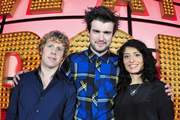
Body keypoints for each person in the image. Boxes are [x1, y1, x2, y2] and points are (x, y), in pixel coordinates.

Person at [13, 6, 172, 120]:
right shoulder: (72, 61)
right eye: (96, 31)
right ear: (88, 31)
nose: (101, 38)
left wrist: (161, 87)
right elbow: (52, 86)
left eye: (106, 33)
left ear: (113, 35)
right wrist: (28, 76)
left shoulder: (121, 63)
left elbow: (139, 84)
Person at [6, 30, 76, 120]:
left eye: (59, 49)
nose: (53, 52)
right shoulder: (21, 80)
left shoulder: (69, 88)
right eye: (50, 46)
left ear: (63, 56)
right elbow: (10, 116)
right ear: (41, 51)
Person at [114, 39, 174, 120]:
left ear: (144, 58)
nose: (131, 60)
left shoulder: (159, 88)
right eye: (126, 56)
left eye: (136, 55)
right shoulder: (120, 91)